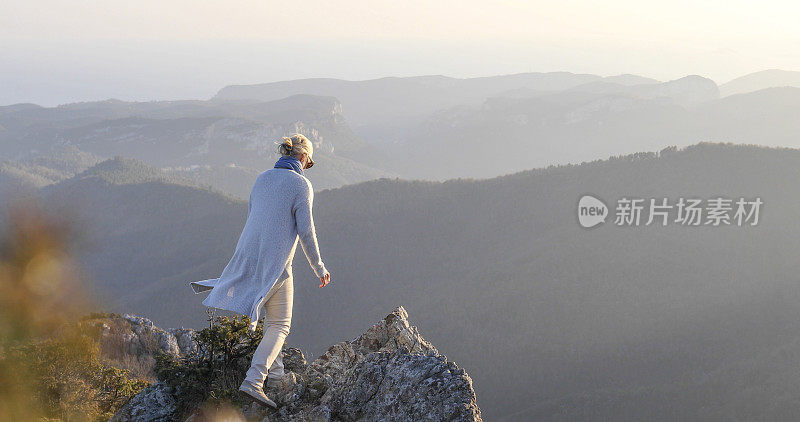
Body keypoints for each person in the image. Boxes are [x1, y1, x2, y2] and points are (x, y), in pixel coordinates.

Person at [189, 133, 331, 408]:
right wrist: (319, 267)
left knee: (271, 322)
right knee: (280, 325)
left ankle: (276, 377)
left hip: (250, 261)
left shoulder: (261, 179)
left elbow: (257, 217)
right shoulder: (301, 186)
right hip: (277, 268)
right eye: (309, 162)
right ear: (303, 158)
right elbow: (306, 232)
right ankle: (254, 381)